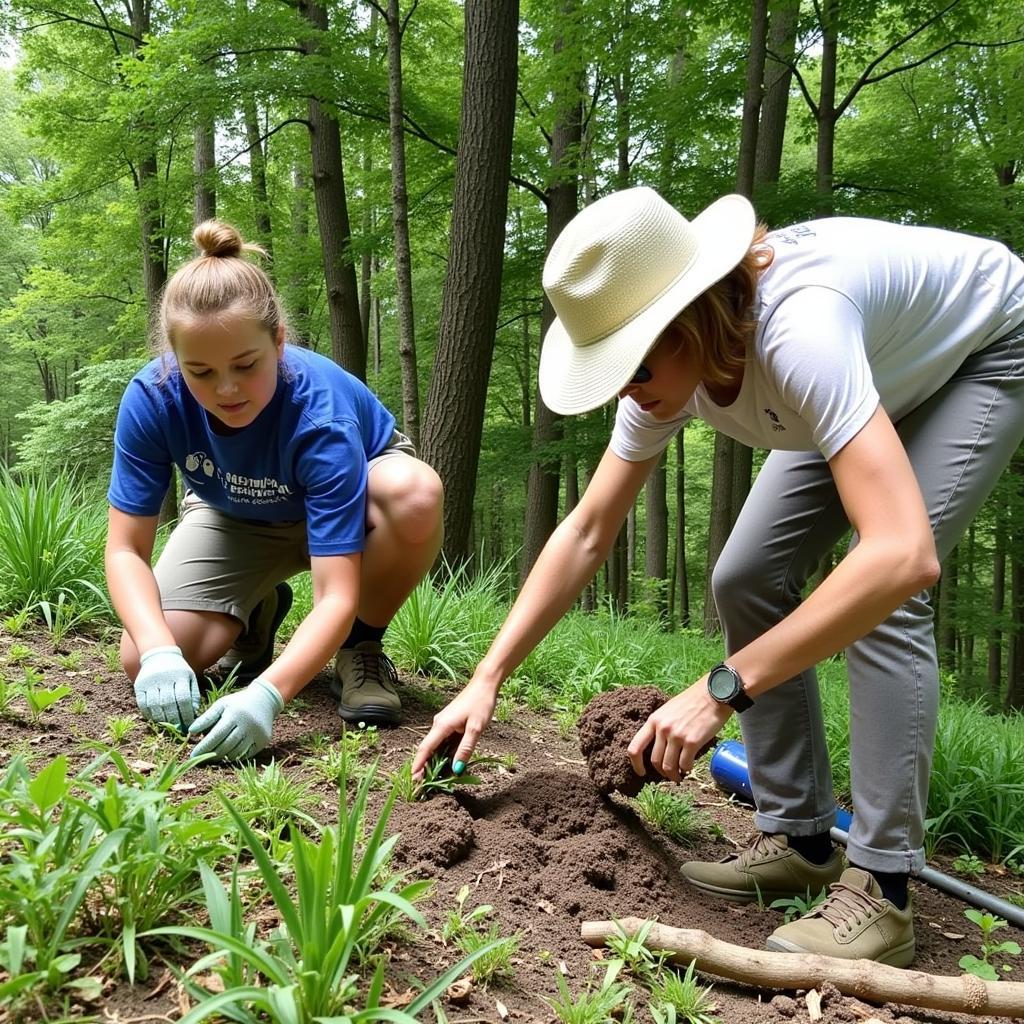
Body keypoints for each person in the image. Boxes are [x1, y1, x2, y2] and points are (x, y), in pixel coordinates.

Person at [413, 186, 1024, 965]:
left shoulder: (800, 332)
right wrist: (487, 676)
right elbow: (589, 530)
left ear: (694, 311)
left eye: (634, 362)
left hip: (979, 348)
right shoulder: (664, 370)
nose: (628, 390)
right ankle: (803, 841)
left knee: (885, 598)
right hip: (873, 369)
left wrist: (719, 690)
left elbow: (901, 555)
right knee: (745, 575)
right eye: (614, 369)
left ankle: (884, 890)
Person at [106, 219, 443, 761]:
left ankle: (360, 646)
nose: (227, 388)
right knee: (139, 655)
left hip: (358, 506)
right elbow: (125, 549)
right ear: (173, 360)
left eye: (245, 365)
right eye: (201, 372)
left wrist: (268, 696)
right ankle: (257, 612)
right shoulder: (152, 398)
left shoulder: (321, 419)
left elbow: (336, 592)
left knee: (416, 493)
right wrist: (158, 650)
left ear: (279, 342)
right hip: (232, 511)